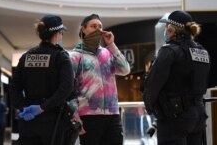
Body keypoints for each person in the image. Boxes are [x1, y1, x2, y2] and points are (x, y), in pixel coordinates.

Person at [143, 10, 211, 145]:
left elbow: (152, 85)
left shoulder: (169, 51)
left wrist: (151, 108)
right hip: (198, 115)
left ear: (171, 30)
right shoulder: (202, 52)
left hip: (175, 117)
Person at [11, 14, 74, 145]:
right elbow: (67, 87)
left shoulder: (26, 57)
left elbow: (14, 86)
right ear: (57, 34)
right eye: (61, 33)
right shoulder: (61, 56)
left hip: (29, 120)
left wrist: (23, 107)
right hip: (53, 121)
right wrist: (42, 107)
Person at [69, 14, 130, 145]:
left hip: (112, 115)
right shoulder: (75, 56)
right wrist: (75, 118)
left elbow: (125, 70)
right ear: (83, 29)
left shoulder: (108, 53)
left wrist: (111, 45)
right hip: (88, 117)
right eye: (93, 26)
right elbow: (69, 90)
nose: (98, 29)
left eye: (100, 26)